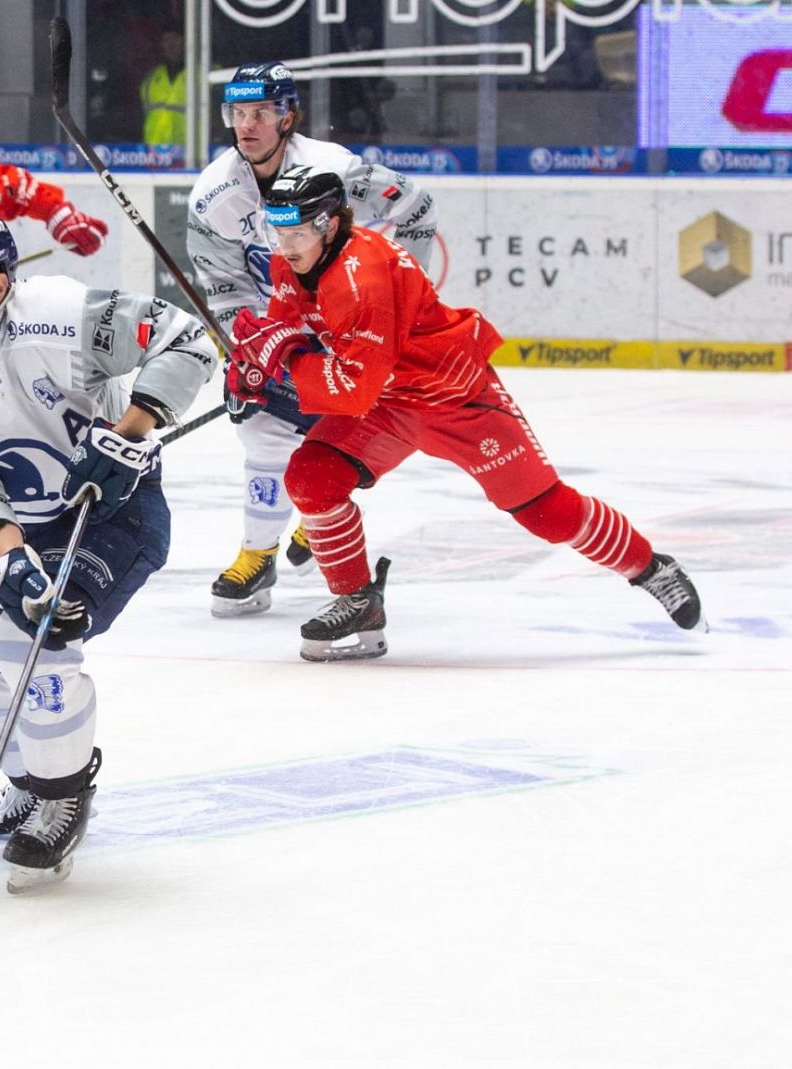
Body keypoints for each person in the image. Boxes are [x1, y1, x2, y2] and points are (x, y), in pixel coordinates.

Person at [226, 166, 705, 661]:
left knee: (547, 512)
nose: (284, 245)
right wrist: (253, 371)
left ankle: (651, 568)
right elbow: (289, 336)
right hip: (388, 401)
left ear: (329, 225)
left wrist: (281, 365)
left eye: (296, 231)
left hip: (451, 395)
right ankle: (357, 600)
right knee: (312, 477)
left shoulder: (362, 274)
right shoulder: (293, 260)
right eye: (275, 230)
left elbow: (349, 388)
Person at [0, 210, 215, 890]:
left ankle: (65, 795)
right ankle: (33, 781)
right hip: (18, 524)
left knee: (33, 645)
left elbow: (187, 339)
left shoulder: (63, 314)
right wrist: (7, 558)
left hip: (110, 513)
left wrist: (128, 432)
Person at [188, 61, 440, 618]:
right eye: (237, 113)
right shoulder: (214, 197)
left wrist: (403, 303)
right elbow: (226, 289)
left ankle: (318, 514)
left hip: (350, 328)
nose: (247, 125)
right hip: (282, 327)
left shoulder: (334, 170)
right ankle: (258, 556)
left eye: (261, 113)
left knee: (335, 444)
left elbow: (416, 206)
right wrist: (248, 353)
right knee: (261, 434)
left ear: (289, 116)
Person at [139, 26, 186, 148]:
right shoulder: (151, 78)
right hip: (153, 155)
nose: (170, 45)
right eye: (166, 40)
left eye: (175, 39)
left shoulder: (204, 74)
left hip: (190, 155)